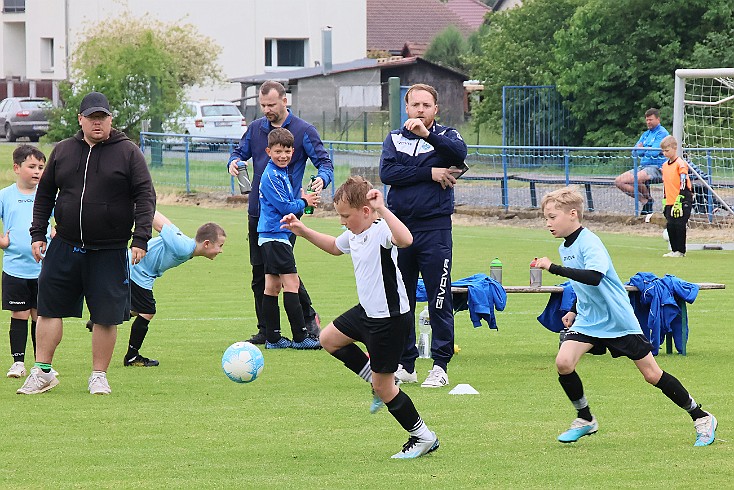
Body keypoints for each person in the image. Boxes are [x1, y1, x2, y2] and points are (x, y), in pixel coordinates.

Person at [534, 186, 716, 446]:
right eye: (546, 218)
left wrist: (553, 268)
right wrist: (574, 308)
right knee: (564, 362)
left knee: (652, 375)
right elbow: (581, 283)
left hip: (617, 319)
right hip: (589, 319)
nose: (548, 223)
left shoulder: (590, 241)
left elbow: (595, 276)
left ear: (572, 214)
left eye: (552, 217)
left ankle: (701, 416)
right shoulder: (566, 246)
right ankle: (586, 418)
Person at [281, 176, 439, 459]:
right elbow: (333, 246)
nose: (342, 222)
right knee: (328, 339)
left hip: (389, 319)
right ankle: (380, 382)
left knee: (384, 388)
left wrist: (383, 208)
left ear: (366, 212)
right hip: (367, 311)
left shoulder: (380, 232)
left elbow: (406, 239)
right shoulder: (354, 233)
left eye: (345, 216)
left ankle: (423, 436)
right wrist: (303, 231)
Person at [17, 91, 156, 395]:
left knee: (106, 315)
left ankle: (98, 376)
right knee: (48, 309)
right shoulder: (64, 150)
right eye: (91, 117)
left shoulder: (128, 152)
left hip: (109, 249)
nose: (97, 123)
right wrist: (38, 233)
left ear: (110, 119)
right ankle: (42, 372)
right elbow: (44, 195)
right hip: (65, 245)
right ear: (80, 119)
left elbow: (145, 197)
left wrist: (141, 237)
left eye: (102, 117)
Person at [227, 80, 333, 344]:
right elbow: (239, 152)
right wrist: (233, 162)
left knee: (284, 271)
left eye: (271, 104)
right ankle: (268, 331)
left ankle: (305, 325)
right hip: (257, 213)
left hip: (288, 216)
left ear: (285, 101)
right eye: (262, 105)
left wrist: (321, 179)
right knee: (262, 272)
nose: (266, 110)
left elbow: (325, 162)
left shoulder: (303, 130)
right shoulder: (255, 128)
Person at [379, 83, 467, 388]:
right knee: (401, 300)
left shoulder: (447, 136)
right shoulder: (393, 139)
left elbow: (459, 154)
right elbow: (388, 174)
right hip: (400, 229)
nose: (420, 110)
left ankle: (440, 366)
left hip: (436, 229)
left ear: (435, 109)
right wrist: (430, 172)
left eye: (426, 105)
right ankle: (406, 364)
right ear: (406, 108)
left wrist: (428, 138)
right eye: (415, 104)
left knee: (438, 298)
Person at [85, 211, 226, 366]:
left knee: (140, 309)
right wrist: (140, 204)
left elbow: (166, 223)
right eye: (220, 246)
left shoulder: (185, 244)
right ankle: (131, 356)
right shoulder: (183, 248)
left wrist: (146, 205)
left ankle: (102, 319)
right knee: (148, 311)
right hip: (137, 271)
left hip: (136, 270)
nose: (221, 250)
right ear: (206, 243)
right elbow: (159, 225)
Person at [258, 127, 321, 350]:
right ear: (268, 151)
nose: (283, 155)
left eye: (287, 151)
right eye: (278, 151)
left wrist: (301, 199)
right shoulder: (272, 175)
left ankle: (273, 339)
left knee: (272, 286)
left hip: (272, 235)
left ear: (293, 151)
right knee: (291, 284)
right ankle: (300, 336)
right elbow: (285, 207)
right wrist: (304, 202)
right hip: (276, 235)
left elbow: (288, 203)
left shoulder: (281, 172)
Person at [1, 145, 51, 378]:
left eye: (41, 167)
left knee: (40, 316)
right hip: (15, 268)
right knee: (19, 315)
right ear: (16, 168)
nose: (37, 171)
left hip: (43, 269)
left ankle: (40, 364)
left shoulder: (48, 194)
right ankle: (18, 362)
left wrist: (56, 232)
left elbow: (62, 218)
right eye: (32, 166)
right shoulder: (6, 195)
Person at [614, 108, 669, 214]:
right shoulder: (646, 134)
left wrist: (642, 148)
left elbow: (654, 153)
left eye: (651, 119)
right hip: (642, 166)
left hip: (656, 166)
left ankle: (648, 198)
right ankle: (646, 201)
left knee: (636, 179)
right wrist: (644, 149)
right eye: (647, 120)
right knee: (618, 181)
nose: (648, 122)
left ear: (658, 119)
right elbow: (634, 152)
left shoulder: (662, 133)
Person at [660, 135, 693, 258]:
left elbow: (683, 183)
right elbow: (666, 184)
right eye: (663, 151)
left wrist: (679, 199)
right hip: (670, 200)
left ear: (674, 148)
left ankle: (681, 251)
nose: (664, 153)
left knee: (679, 224)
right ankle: (674, 250)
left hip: (682, 199)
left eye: (667, 150)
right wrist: (665, 199)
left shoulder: (680, 164)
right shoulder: (664, 166)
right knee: (670, 224)